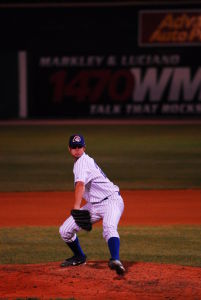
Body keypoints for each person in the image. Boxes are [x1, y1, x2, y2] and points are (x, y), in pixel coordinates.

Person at [59, 134, 125, 275]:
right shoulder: (80, 163)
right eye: (74, 147)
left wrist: (77, 207)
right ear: (69, 149)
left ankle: (116, 260)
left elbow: (80, 185)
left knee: (109, 227)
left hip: (111, 201)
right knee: (65, 231)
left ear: (84, 147)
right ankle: (79, 257)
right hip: (94, 205)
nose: (77, 150)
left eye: (79, 147)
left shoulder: (82, 163)